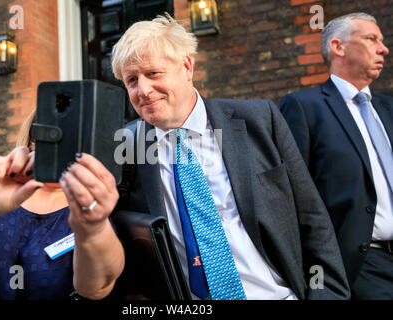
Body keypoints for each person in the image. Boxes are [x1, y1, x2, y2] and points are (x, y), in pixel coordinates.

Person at [109, 14, 350, 300]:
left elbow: (310, 216)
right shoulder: (126, 148)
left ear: (186, 67)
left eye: (153, 74)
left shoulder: (259, 120)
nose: (143, 90)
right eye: (132, 80)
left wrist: (327, 293)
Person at [0, 110, 124, 300]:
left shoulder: (90, 210)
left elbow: (98, 288)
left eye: (73, 140)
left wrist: (93, 229)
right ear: (31, 141)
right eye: (51, 136)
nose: (61, 149)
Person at [279, 13, 392, 299]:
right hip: (362, 264)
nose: (383, 48)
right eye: (371, 39)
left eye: (381, 40)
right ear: (338, 47)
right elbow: (292, 195)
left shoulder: (389, 109)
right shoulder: (304, 107)